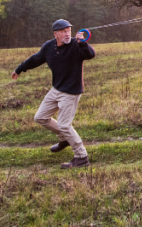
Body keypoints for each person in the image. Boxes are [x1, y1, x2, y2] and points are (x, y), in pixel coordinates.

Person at [11, 19, 96, 168]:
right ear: (55, 34)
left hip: (71, 91)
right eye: (63, 31)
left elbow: (90, 54)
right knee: (40, 117)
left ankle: (81, 157)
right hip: (56, 89)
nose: (67, 34)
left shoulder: (76, 45)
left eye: (69, 30)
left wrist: (83, 42)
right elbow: (35, 59)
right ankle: (64, 139)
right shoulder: (49, 47)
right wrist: (19, 69)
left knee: (64, 124)